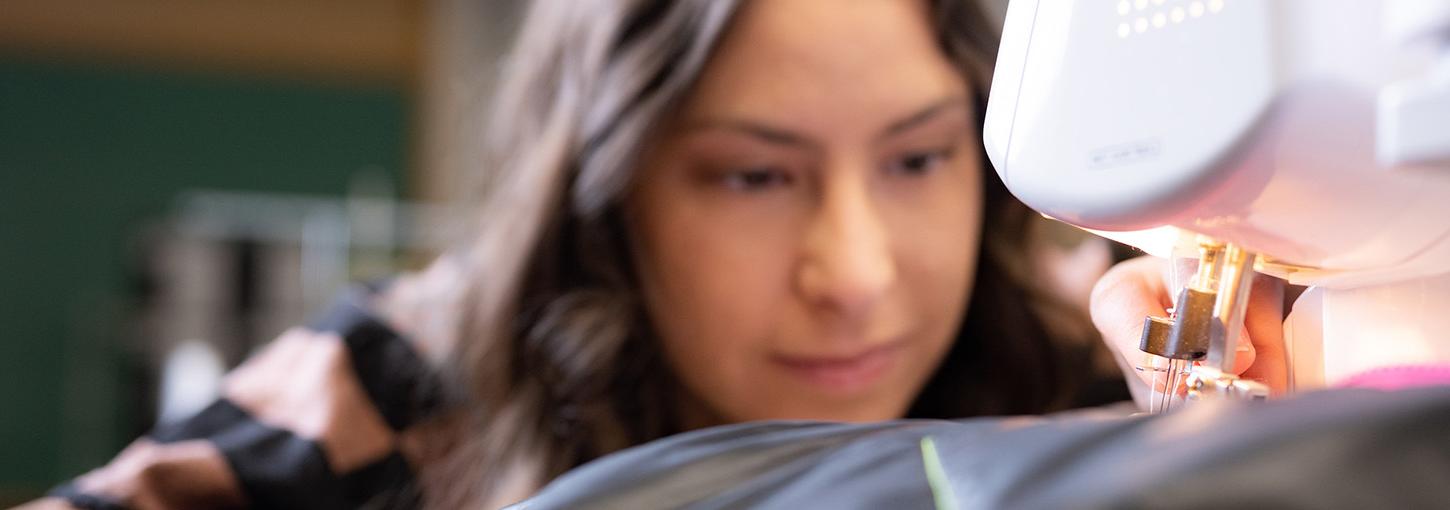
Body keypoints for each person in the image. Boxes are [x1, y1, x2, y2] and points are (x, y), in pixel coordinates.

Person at [25, 1, 1127, 508]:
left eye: (916, 160)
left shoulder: (1086, 360)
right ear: (608, 196)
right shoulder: (400, 380)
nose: (854, 274)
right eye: (752, 176)